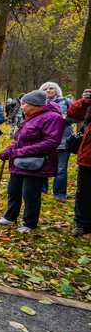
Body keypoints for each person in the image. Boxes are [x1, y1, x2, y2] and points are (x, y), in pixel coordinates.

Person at [0, 90, 66, 233]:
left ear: (35, 104)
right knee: (13, 190)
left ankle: (29, 223)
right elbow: (19, 140)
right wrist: (8, 151)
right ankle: (10, 217)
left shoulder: (52, 118)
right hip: (19, 161)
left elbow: (51, 142)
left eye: (25, 103)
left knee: (30, 193)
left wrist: (20, 152)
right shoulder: (30, 117)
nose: (22, 106)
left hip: (37, 162)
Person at [39, 82, 73, 202]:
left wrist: (64, 118)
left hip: (63, 139)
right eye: (45, 88)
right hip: (44, 140)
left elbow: (75, 117)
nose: (48, 90)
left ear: (57, 90)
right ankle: (42, 190)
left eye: (51, 88)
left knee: (61, 168)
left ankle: (59, 193)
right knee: (42, 165)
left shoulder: (65, 102)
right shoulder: (39, 103)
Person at [68, 88, 91, 236]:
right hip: (88, 157)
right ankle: (82, 224)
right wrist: (84, 102)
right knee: (84, 192)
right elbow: (72, 115)